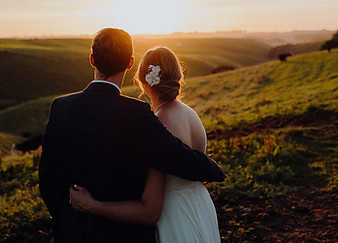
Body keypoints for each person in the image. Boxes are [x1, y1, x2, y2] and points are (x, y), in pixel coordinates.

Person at [39, 28, 225, 243]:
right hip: (121, 233)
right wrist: (213, 169)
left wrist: (66, 218)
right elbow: (175, 155)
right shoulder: (136, 113)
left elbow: (47, 176)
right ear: (129, 63)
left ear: (92, 60)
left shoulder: (60, 107)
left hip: (72, 232)